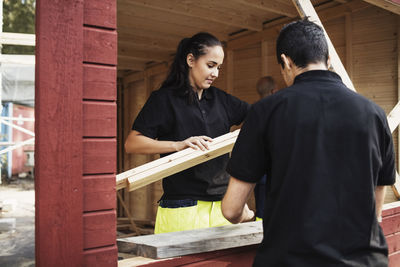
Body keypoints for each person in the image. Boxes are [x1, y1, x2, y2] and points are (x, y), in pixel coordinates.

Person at [221, 18, 395, 266]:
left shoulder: (265, 112)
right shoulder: (374, 113)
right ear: (328, 60)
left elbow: (231, 209)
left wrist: (245, 215)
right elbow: (378, 194)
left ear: (286, 62)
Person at [125, 32, 250, 234]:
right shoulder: (164, 99)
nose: (216, 73)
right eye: (210, 65)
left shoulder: (221, 100)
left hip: (222, 206)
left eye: (219, 67)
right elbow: (132, 143)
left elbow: (258, 118)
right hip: (181, 206)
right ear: (191, 60)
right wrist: (178, 144)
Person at [254, 76, 279, 221]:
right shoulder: (279, 111)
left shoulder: (253, 111)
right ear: (274, 90)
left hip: (258, 174)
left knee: (261, 210)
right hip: (276, 171)